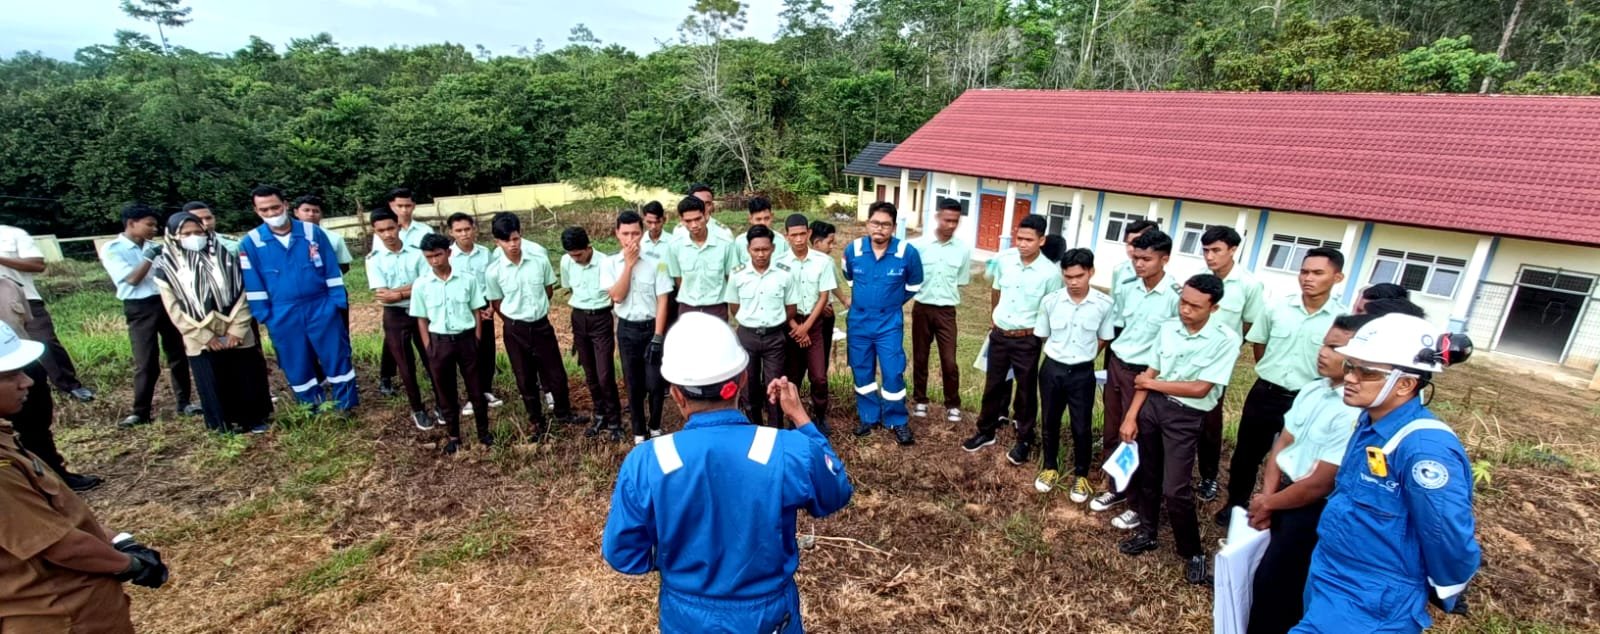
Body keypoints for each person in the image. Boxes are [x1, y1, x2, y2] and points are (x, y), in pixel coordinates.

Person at [601, 312, 853, 633]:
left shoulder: (648, 461)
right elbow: (836, 491)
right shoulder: (786, 449)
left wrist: (674, 557)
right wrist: (802, 419)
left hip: (685, 617)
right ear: (744, 379)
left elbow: (623, 555)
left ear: (676, 394)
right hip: (769, 617)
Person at [1294, 314, 1479, 633]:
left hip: (1373, 598)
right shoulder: (1371, 422)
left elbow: (1446, 534)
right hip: (1332, 573)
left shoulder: (1424, 450)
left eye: (1367, 372)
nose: (1351, 377)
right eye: (1351, 365)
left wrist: (1447, 587)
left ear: (1406, 384)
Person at [0, 321, 170, 633]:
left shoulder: (5, 437)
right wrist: (129, 565)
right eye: (10, 375)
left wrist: (118, 540)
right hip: (62, 617)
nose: (27, 382)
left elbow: (57, 512)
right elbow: (58, 544)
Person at [1244, 312, 1373, 634]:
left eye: (1334, 347)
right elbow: (1282, 446)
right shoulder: (1314, 390)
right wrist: (1268, 497)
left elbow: (1319, 484)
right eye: (1324, 343)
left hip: (1308, 510)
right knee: (1262, 582)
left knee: (1282, 590)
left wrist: (1269, 504)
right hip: (1280, 496)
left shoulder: (1352, 412)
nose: (1322, 351)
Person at [1115, 274, 1241, 586]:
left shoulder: (1225, 339)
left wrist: (1149, 383)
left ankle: (1192, 551)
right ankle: (1147, 531)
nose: (1186, 310)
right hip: (1152, 408)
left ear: (1214, 308)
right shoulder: (1169, 328)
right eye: (1183, 302)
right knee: (1148, 474)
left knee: (1176, 487)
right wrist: (1131, 416)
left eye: (1195, 306)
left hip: (1185, 417)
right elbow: (1150, 371)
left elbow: (1200, 389)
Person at [1218, 247, 1347, 526]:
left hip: (1309, 397)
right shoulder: (1276, 307)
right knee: (1246, 454)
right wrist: (1271, 372)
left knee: (1298, 458)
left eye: (1317, 273)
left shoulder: (1341, 321)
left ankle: (1280, 507)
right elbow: (1259, 344)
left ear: (1337, 277)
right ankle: (1236, 504)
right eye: (1304, 271)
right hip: (1266, 392)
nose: (1307, 278)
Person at [150, 212, 274, 435]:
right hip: (198, 333)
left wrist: (237, 328)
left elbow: (245, 293)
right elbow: (174, 309)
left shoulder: (227, 257)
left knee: (245, 374)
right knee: (211, 379)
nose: (194, 237)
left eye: (198, 232)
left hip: (236, 326)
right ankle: (222, 424)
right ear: (173, 236)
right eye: (186, 233)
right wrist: (206, 336)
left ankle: (253, 419)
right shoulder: (166, 268)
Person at [240, 185, 359, 411]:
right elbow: (253, 282)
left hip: (321, 304)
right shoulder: (251, 242)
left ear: (285, 205)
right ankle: (311, 406)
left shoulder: (311, 233)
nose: (272, 213)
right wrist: (266, 315)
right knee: (295, 360)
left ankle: (345, 404)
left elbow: (332, 270)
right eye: (264, 210)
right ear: (256, 211)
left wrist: (335, 302)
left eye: (275, 207)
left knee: (336, 353)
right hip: (282, 311)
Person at [1092, 229, 1179, 528]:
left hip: (1145, 375)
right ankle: (1116, 488)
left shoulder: (1174, 297)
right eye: (1136, 257)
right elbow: (1119, 326)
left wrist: (1149, 378)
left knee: (1136, 436)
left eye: (1146, 259)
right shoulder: (1129, 287)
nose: (1139, 264)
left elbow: (1170, 346)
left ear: (1164, 259)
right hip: (1118, 365)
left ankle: (1138, 504)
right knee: (1113, 430)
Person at [962, 215, 1061, 463]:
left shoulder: (1050, 274)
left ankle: (1024, 439)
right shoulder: (1006, 262)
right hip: (1000, 335)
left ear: (1041, 240)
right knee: (993, 385)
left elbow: (1051, 310)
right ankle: (986, 431)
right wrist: (994, 319)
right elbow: (997, 289)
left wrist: (1040, 337)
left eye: (1029, 239)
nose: (1022, 244)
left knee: (1026, 391)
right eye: (1019, 238)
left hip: (1027, 340)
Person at [99, 203, 199, 427]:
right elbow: (132, 279)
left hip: (164, 302)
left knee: (178, 355)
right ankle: (140, 411)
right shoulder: (113, 249)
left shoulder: (154, 246)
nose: (154, 229)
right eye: (149, 224)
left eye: (156, 225)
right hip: (139, 307)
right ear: (131, 224)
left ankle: (185, 403)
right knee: (146, 360)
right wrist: (149, 257)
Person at [0, 273, 101, 492]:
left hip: (21, 361)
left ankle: (54, 477)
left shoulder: (9, 285)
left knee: (37, 426)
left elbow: (26, 322)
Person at [1031, 248, 1115, 500]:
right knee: (1049, 421)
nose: (1073, 282)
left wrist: (1085, 355)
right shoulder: (1051, 301)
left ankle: (1081, 476)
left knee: (1081, 426)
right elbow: (1044, 334)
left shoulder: (1104, 304)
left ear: (1091, 272)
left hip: (1082, 373)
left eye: (1079, 276)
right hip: (1052, 369)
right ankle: (1049, 468)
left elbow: (1104, 337)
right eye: (1068, 277)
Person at [485, 213, 576, 438]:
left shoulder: (539, 261)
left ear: (521, 236)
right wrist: (514, 320)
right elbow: (496, 302)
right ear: (497, 242)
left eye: (516, 239)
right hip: (515, 329)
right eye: (507, 241)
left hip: (541, 326)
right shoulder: (494, 271)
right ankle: (536, 420)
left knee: (556, 372)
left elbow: (548, 290)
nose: (513, 245)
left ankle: (564, 413)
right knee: (524, 377)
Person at [841, 202, 923, 445]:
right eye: (875, 223)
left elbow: (913, 285)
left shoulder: (907, 252)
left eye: (886, 225)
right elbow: (849, 277)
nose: (880, 229)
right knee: (862, 368)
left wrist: (890, 301)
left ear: (893, 228)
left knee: (892, 371)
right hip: (859, 322)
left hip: (889, 323)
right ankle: (868, 416)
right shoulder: (853, 249)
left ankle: (897, 420)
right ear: (868, 224)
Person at [1196, 225, 1265, 502]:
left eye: (1216, 251)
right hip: (1188, 358)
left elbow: (1250, 326)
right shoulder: (1199, 281)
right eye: (1205, 251)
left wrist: (1228, 351)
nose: (1210, 257)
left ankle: (1209, 476)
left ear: (1233, 250)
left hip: (1218, 364)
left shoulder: (1248, 285)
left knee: (1210, 420)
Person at [412, 234, 493, 454]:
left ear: (448, 253)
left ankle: (483, 432)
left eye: (438, 254)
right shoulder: (421, 285)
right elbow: (421, 317)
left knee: (476, 389)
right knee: (445, 392)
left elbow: (477, 310)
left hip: (466, 339)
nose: (434, 261)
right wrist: (429, 346)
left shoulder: (467, 279)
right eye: (429, 257)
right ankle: (454, 436)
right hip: (439, 343)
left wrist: (476, 338)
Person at [0, 224, 94, 402]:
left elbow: (37, 264)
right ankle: (16, 392)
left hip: (23, 299)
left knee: (46, 342)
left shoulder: (13, 234)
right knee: (5, 350)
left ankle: (70, 386)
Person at [603, 211, 674, 444]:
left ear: (641, 234)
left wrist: (658, 336)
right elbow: (617, 297)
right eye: (625, 234)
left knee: (655, 384)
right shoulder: (610, 264)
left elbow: (663, 300)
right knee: (633, 384)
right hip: (626, 330)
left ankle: (655, 425)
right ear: (617, 234)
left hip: (650, 328)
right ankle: (639, 430)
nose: (630, 239)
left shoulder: (657, 264)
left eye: (635, 233)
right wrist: (629, 266)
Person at [367, 209, 437, 431]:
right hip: (395, 316)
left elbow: (427, 283)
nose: (387, 234)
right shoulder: (373, 260)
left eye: (390, 228)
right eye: (381, 231)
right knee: (406, 367)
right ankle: (418, 409)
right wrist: (411, 288)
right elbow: (381, 294)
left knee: (432, 359)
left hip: (421, 312)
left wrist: (396, 294)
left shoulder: (417, 253)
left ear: (398, 226)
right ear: (374, 232)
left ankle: (443, 404)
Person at [726, 225, 798, 428]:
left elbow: (791, 308)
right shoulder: (738, 274)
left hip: (775, 337)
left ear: (773, 248)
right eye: (756, 249)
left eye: (765, 249)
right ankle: (753, 429)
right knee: (748, 389)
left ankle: (775, 431)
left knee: (774, 387)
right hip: (747, 336)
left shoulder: (784, 274)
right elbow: (734, 307)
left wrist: (773, 322)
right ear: (748, 248)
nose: (760, 254)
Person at [910, 199, 973, 424]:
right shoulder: (918, 246)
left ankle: (953, 404)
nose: (950, 225)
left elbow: (961, 280)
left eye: (955, 221)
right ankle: (920, 401)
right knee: (920, 356)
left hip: (947, 311)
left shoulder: (963, 250)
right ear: (937, 217)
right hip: (922, 309)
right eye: (947, 220)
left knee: (949, 360)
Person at [561, 226, 623, 440]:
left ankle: (615, 421)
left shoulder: (606, 262)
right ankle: (599, 415)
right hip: (578, 318)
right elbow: (568, 287)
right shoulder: (566, 261)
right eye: (571, 255)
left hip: (601, 319)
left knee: (605, 374)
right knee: (590, 374)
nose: (575, 259)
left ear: (589, 247)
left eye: (579, 254)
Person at [777, 214, 837, 434]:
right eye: (794, 235)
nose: (799, 239)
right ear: (787, 236)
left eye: (803, 234)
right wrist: (795, 326)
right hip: (790, 324)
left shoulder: (823, 261)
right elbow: (779, 298)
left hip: (815, 323)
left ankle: (820, 415)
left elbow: (823, 296)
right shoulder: (779, 262)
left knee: (819, 376)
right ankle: (793, 417)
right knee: (792, 375)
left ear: (809, 233)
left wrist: (807, 326)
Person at [446, 213, 505, 415]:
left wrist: (489, 306)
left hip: (484, 311)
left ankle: (486, 390)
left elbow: (490, 283)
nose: (464, 234)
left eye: (467, 229)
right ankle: (473, 395)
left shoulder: (485, 253)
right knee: (467, 354)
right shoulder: (449, 256)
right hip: (462, 314)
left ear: (474, 229)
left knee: (487, 350)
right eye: (459, 230)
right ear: (451, 233)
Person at [379, 187, 435, 396]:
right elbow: (381, 267)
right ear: (391, 206)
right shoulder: (384, 231)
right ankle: (386, 376)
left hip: (422, 295)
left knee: (427, 336)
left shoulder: (424, 231)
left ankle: (432, 370)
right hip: (395, 302)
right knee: (393, 341)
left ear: (413, 206)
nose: (404, 210)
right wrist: (398, 293)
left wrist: (402, 292)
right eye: (399, 206)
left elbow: (429, 272)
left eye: (408, 205)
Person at [666, 196, 740, 321]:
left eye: (697, 219)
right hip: (687, 309)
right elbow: (678, 279)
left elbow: (731, 278)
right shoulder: (675, 246)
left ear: (705, 215)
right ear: (681, 220)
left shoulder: (725, 244)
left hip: (716, 309)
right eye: (688, 221)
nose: (694, 225)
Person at [291, 195, 353, 274]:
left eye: (316, 211)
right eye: (306, 210)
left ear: (321, 214)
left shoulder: (334, 238)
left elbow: (344, 265)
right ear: (296, 212)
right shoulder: (287, 237)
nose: (311, 214)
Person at [733, 197, 790, 265]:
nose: (763, 223)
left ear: (772, 216)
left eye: (766, 218)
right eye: (758, 219)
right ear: (750, 219)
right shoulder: (740, 242)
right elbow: (734, 269)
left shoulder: (781, 241)